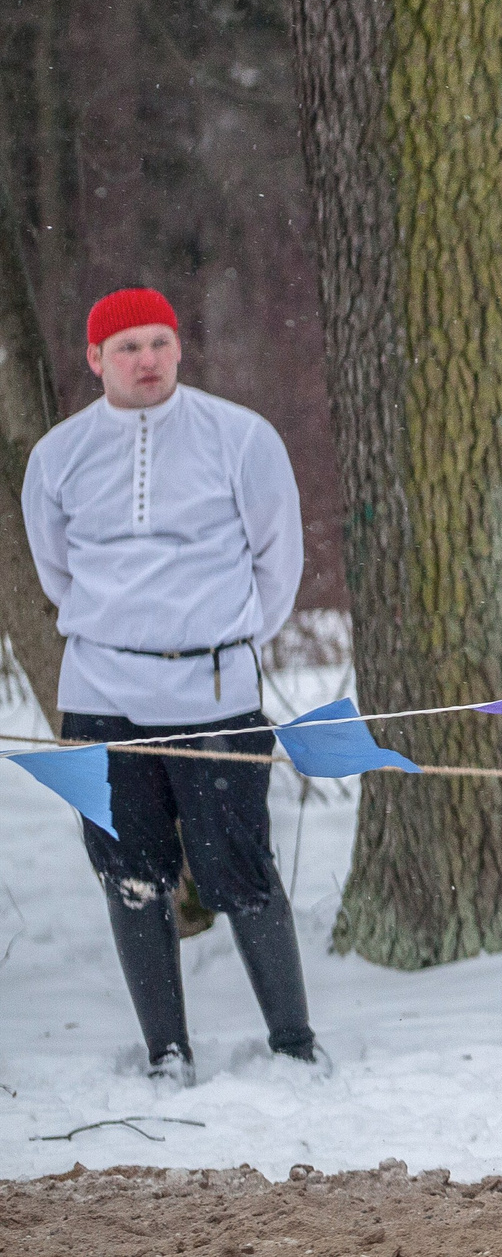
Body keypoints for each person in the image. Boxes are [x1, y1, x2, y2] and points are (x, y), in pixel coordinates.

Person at [21, 288, 315, 1084]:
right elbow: (58, 570)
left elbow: (277, 561)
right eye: (126, 347)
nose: (144, 359)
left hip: (215, 694)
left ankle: (293, 1043)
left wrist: (224, 636)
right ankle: (166, 1053)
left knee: (239, 871)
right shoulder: (56, 457)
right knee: (131, 874)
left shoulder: (241, 437)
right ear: (95, 359)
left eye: (157, 342)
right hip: (101, 696)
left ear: (178, 348)